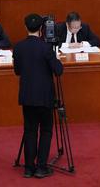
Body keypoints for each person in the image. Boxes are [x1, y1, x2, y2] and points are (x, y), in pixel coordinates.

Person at [12, 13, 64, 180]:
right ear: (41, 29)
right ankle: (41, 167)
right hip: (45, 97)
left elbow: (17, 71)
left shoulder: (19, 47)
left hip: (27, 96)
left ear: (25, 27)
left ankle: (28, 168)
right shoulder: (45, 47)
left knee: (30, 131)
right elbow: (58, 70)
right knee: (46, 131)